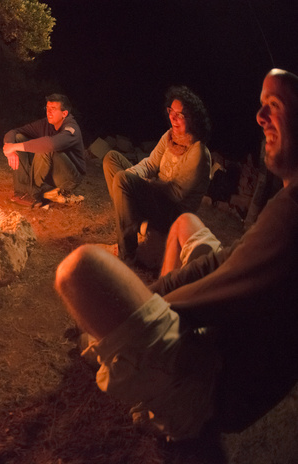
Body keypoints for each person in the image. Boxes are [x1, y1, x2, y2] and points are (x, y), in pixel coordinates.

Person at [54, 69, 298, 448]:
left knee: (78, 269)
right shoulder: (286, 201)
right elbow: (226, 263)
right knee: (187, 224)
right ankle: (145, 311)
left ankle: (142, 354)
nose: (259, 116)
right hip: (230, 340)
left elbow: (222, 290)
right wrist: (153, 292)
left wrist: (136, 317)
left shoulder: (291, 210)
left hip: (217, 382)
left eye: (275, 106)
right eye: (261, 105)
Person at [103, 86, 212, 262]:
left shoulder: (197, 152)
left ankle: (127, 253)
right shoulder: (169, 136)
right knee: (111, 159)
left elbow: (176, 194)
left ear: (193, 119)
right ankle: (130, 217)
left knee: (124, 180)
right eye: (171, 111)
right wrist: (131, 175)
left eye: (180, 115)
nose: (173, 118)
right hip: (154, 197)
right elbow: (150, 164)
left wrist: (141, 183)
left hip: (173, 212)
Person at [3, 93, 86, 207]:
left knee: (46, 148)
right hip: (50, 174)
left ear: (64, 113)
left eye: (53, 109)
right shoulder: (45, 123)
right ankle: (22, 192)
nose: (49, 112)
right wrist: (10, 147)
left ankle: (34, 194)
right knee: (18, 138)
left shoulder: (71, 128)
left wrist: (14, 147)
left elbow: (51, 144)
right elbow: (14, 132)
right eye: (47, 108)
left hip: (69, 177)